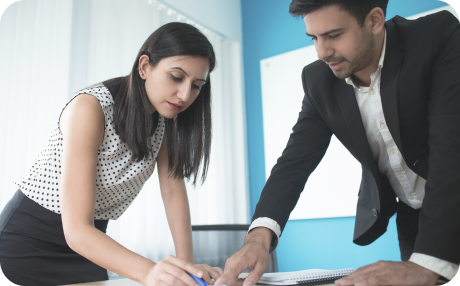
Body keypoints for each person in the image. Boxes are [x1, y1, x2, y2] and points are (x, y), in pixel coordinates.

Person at [216, 0, 460, 285]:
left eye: (333, 35)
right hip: (414, 220)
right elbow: (293, 164)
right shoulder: (319, 80)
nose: (322, 52)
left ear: (374, 21)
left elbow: (451, 150)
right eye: (314, 39)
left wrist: (427, 266)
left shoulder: (437, 36)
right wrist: (258, 238)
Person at [0, 22, 223, 286]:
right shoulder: (90, 108)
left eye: (197, 85)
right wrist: (150, 272)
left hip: (91, 245)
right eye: (176, 77)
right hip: (29, 243)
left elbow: (173, 190)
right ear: (144, 67)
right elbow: (76, 230)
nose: (185, 95)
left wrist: (187, 269)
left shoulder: (166, 119)